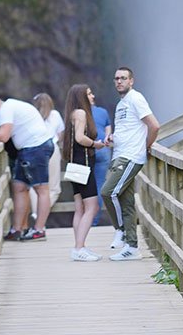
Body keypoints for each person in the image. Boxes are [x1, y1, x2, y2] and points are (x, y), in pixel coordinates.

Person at [0, 95, 55, 242]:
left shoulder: (6, 109)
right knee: (19, 187)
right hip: (28, 150)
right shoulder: (10, 107)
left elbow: (3, 136)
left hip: (36, 147)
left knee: (41, 189)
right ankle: (17, 229)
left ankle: (39, 230)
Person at [102, 66, 160, 261]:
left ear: (131, 81)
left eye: (123, 78)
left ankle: (120, 230)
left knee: (108, 192)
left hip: (130, 157)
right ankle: (132, 248)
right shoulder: (121, 104)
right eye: (117, 78)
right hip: (119, 154)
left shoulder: (136, 98)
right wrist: (113, 138)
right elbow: (128, 130)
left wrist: (146, 146)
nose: (119, 81)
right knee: (126, 203)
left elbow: (154, 125)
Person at [62, 84, 103, 261]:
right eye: (89, 94)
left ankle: (80, 246)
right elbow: (79, 138)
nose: (93, 96)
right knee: (93, 207)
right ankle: (79, 248)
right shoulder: (81, 113)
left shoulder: (72, 113)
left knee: (80, 208)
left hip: (74, 165)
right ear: (81, 97)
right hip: (83, 165)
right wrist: (96, 144)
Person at [32, 92, 65, 219]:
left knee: (35, 186)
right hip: (51, 149)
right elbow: (61, 133)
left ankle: (35, 212)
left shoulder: (32, 117)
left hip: (34, 150)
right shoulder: (55, 114)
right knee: (54, 189)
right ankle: (40, 213)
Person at [89, 89, 112, 226]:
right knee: (99, 185)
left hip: (88, 149)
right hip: (103, 149)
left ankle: (85, 218)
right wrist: (105, 141)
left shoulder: (78, 113)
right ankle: (94, 221)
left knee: (85, 186)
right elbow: (108, 131)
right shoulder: (102, 112)